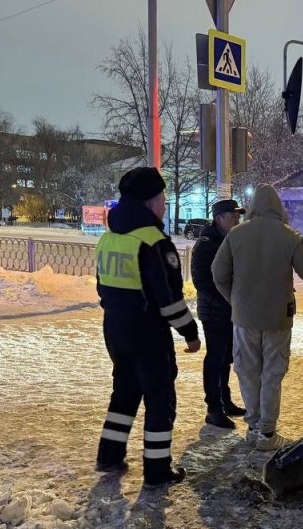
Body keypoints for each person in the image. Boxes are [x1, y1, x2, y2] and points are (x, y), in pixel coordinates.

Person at [211, 184, 303, 451]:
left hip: (244, 319)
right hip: (278, 319)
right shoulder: (290, 236)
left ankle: (253, 427)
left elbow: (218, 274)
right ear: (278, 207)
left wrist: (235, 301)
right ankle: (267, 433)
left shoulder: (236, 235)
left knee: (248, 372)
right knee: (272, 373)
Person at [95, 166, 201, 488]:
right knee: (160, 399)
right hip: (148, 334)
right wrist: (190, 332)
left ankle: (109, 455)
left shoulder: (109, 238)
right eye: (163, 199)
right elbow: (169, 301)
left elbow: (102, 288)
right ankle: (157, 471)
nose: (164, 205)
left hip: (115, 328)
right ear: (150, 202)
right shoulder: (154, 241)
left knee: (125, 392)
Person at [191, 198, 247, 429]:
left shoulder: (230, 240)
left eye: (238, 215)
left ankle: (225, 401)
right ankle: (213, 409)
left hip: (229, 308)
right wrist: (225, 300)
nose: (237, 219)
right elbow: (201, 280)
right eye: (233, 215)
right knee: (215, 357)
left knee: (225, 357)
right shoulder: (207, 244)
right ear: (219, 218)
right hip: (214, 311)